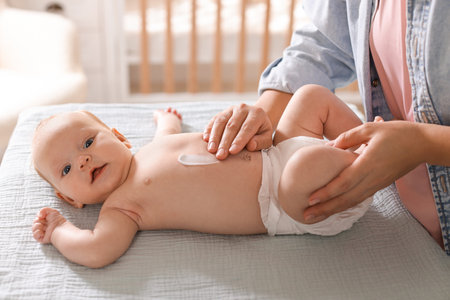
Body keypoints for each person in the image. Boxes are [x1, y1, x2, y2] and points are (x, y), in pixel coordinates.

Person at [31, 85, 372, 268]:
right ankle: (364, 163)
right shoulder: (122, 209)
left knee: (311, 96)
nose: (83, 159)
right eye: (66, 169)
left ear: (121, 138)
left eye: (88, 142)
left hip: (278, 150)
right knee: (303, 167)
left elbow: (169, 131)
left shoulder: (150, 150)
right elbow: (96, 250)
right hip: (291, 200)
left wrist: (166, 119)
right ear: (70, 199)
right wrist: (60, 231)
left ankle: (373, 141)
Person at [203, 0, 450, 253]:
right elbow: (327, 39)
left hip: (429, 203)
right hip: (401, 197)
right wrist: (262, 114)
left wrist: (425, 142)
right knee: (311, 97)